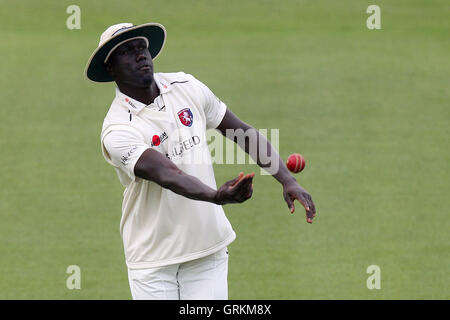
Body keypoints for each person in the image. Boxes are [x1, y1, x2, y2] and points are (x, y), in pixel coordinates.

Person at [84, 22, 316, 300]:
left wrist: (287, 180)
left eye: (142, 47)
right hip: (153, 261)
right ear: (110, 68)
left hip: (208, 249)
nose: (140, 55)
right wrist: (216, 196)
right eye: (127, 51)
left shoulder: (186, 86)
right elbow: (168, 174)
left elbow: (240, 131)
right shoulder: (118, 128)